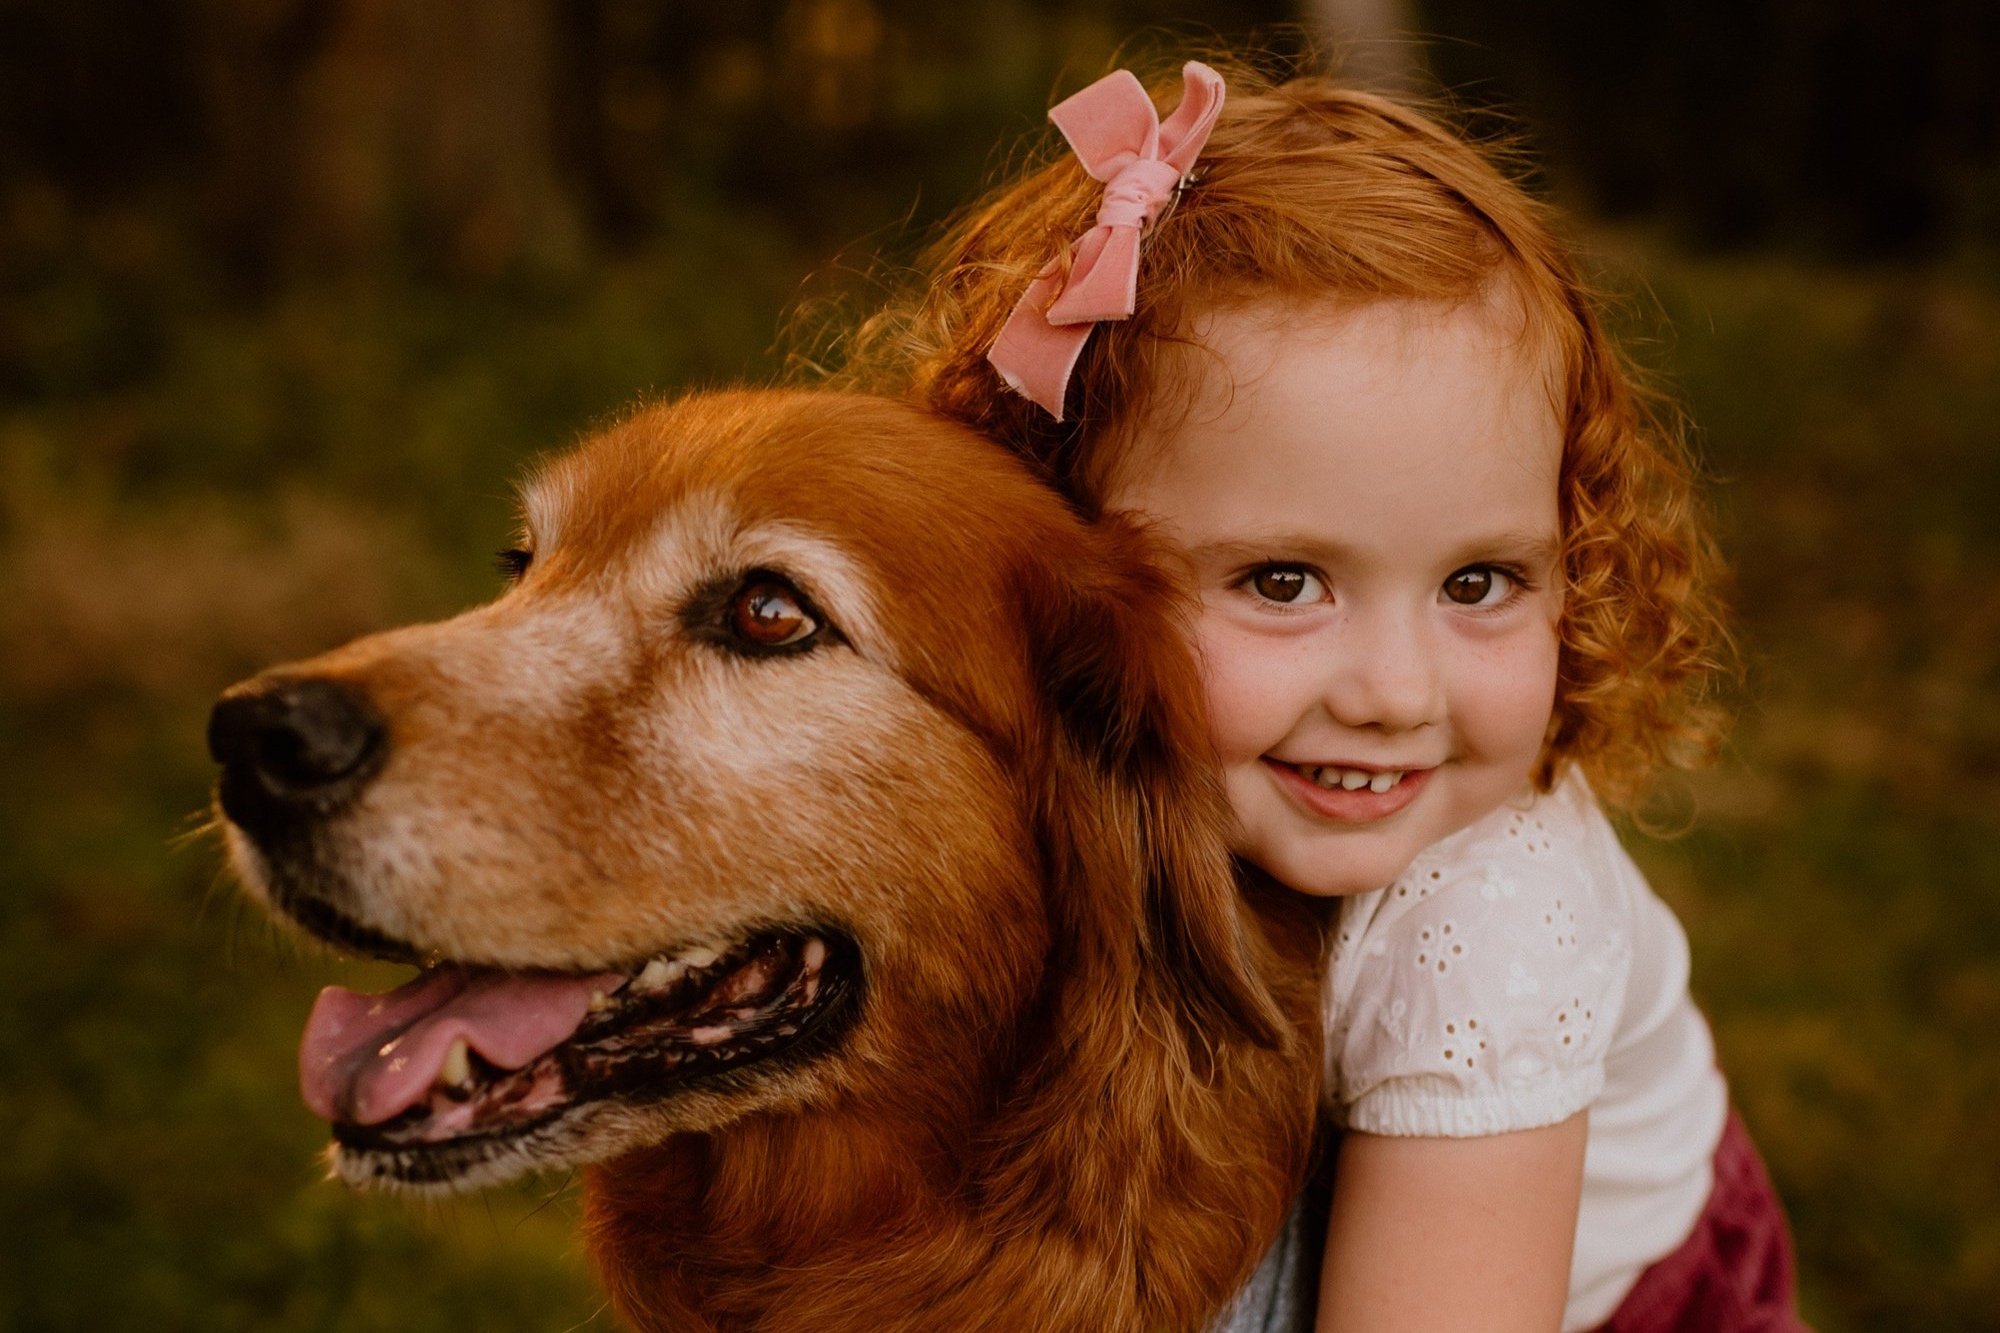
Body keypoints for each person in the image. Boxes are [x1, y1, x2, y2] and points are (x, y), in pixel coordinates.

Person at [838, 57, 1807, 1333]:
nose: (1398, 692)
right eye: (1284, 581)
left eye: (1479, 582)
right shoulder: (1043, 765)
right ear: (1064, 562)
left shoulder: (1487, 927)